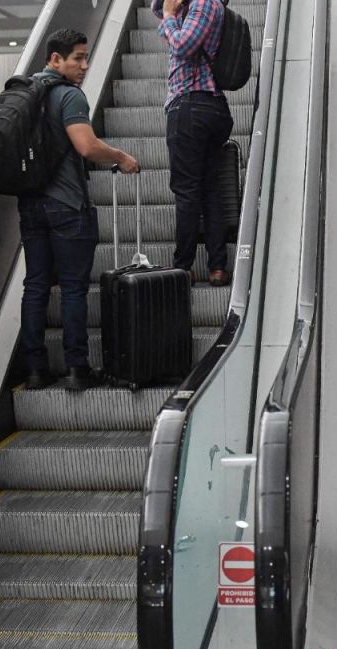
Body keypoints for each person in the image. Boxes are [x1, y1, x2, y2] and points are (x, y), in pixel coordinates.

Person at [17, 29, 140, 391]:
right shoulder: (68, 96)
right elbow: (85, 146)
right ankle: (75, 369)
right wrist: (120, 157)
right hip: (67, 205)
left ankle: (36, 371)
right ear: (55, 59)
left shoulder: (24, 93)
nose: (85, 66)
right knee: (72, 289)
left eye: (86, 58)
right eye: (77, 58)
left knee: (35, 287)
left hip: (30, 205)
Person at [153, 0, 235, 286]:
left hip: (191, 104)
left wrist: (167, 15)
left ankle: (183, 266)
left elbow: (182, 46)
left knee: (187, 189)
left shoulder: (203, 3)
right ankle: (217, 267)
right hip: (206, 107)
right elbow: (160, 10)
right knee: (209, 189)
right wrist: (166, 11)